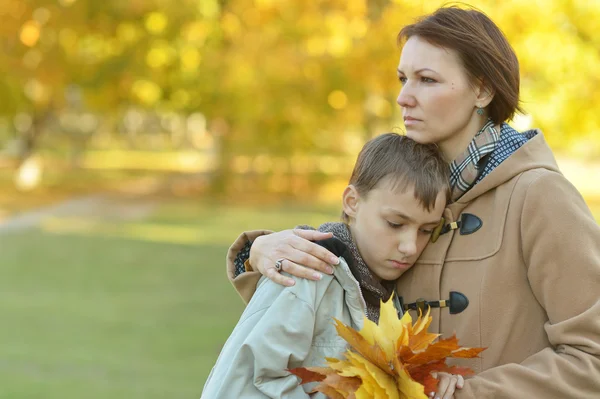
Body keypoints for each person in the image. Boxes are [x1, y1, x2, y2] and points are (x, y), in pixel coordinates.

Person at [224, 5, 600, 399]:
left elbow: (591, 356)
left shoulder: (539, 196)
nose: (404, 97)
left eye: (427, 80)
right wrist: (259, 251)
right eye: (403, 78)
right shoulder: (414, 193)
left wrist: (465, 394)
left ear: (483, 90)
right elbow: (334, 302)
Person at [202, 134, 465, 398]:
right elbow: (236, 387)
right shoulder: (305, 275)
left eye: (426, 230)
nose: (410, 246)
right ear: (352, 202)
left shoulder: (391, 296)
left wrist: (423, 384)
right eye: (395, 224)